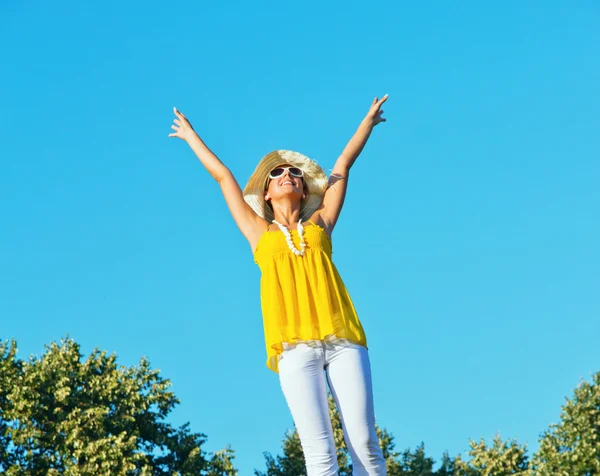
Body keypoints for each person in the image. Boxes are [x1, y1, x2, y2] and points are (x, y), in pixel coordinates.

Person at [169, 95, 388, 476]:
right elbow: (224, 177)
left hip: (343, 340)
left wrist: (366, 124)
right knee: (321, 458)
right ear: (266, 194)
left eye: (294, 173)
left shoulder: (321, 223)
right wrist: (191, 136)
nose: (286, 174)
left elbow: (342, 165)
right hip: (293, 348)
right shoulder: (259, 232)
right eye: (276, 174)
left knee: (365, 444)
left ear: (304, 191)